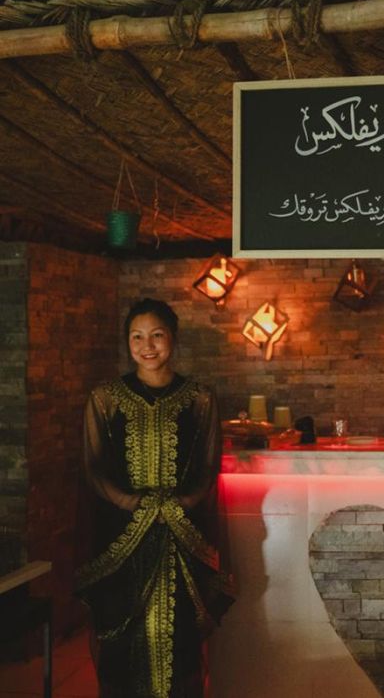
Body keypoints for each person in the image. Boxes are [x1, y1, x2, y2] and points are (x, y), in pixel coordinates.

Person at [76, 298, 234, 697]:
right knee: (123, 636)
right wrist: (133, 504)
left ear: (173, 339)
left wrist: (181, 504)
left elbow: (209, 465)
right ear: (127, 342)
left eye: (157, 335)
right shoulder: (105, 397)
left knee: (179, 634)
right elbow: (94, 467)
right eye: (137, 337)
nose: (147, 346)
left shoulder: (199, 397)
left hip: (182, 536)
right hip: (121, 538)